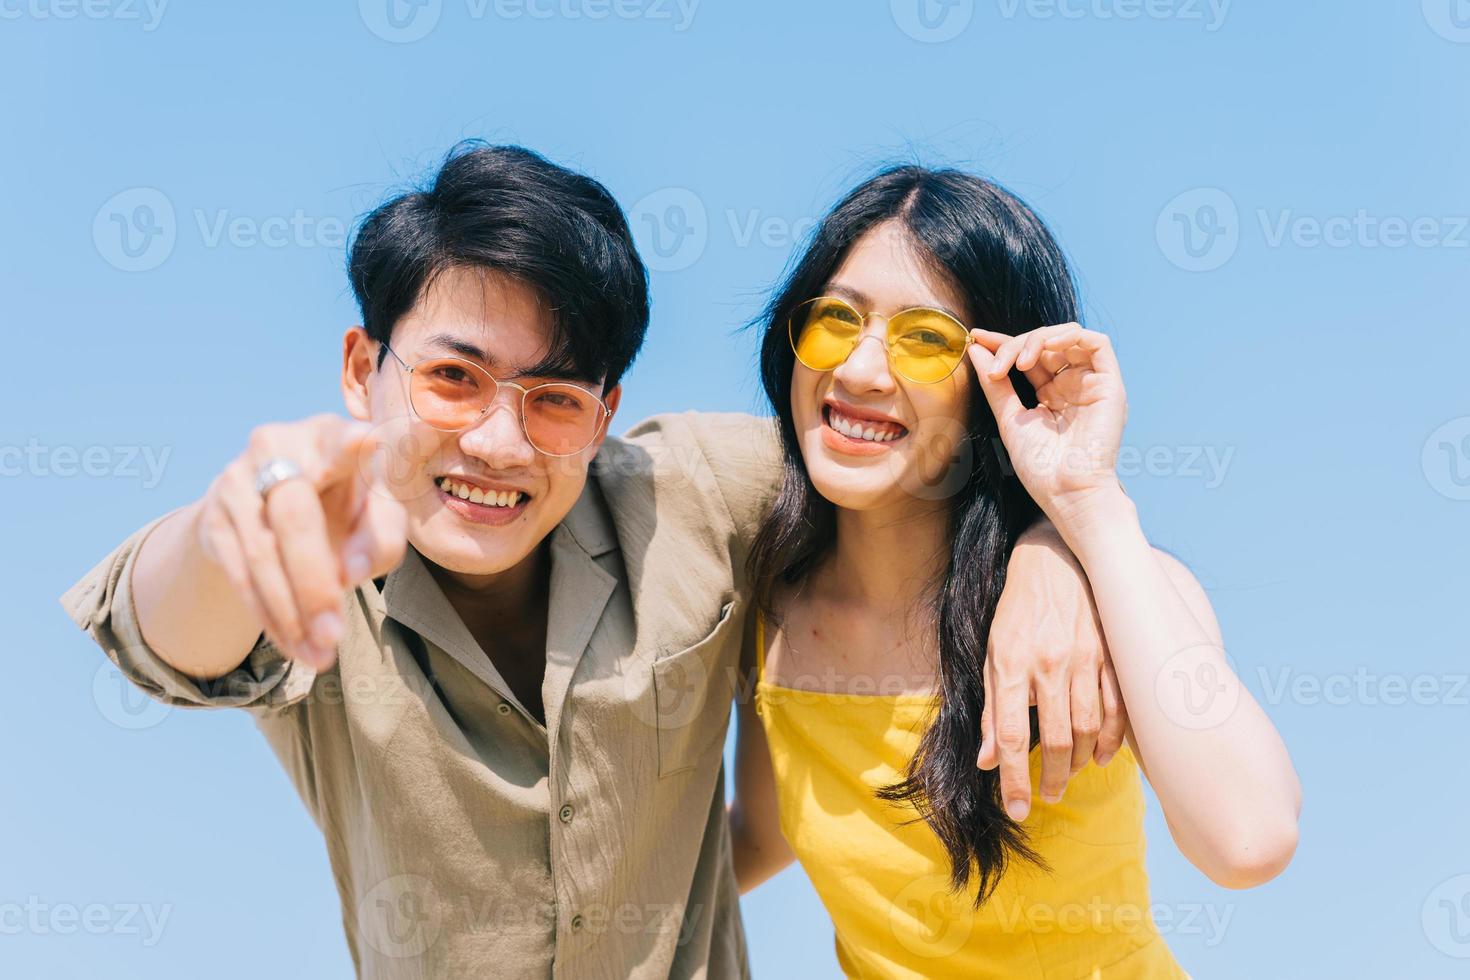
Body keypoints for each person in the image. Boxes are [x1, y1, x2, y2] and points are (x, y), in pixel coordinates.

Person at [61, 143, 1121, 979]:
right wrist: (220, 526)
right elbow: (163, 632)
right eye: (453, 378)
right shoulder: (316, 549)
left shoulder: (700, 491)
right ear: (361, 366)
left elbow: (928, 484)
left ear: (608, 409)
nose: (497, 441)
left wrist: (1050, 554)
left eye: (555, 398)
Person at [729, 166, 1302, 978]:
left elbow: (1249, 839)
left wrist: (1083, 507)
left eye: (923, 338)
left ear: (1000, 380)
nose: (857, 371)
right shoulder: (768, 614)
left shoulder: (1108, 596)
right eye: (833, 321)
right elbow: (761, 832)